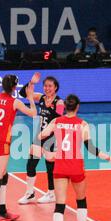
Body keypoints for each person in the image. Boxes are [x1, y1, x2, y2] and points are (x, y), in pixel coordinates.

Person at [39, 94, 111, 221]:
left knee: (60, 204)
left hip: (60, 166)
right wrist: (110, 158)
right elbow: (91, 148)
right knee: (81, 200)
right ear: (77, 107)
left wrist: (49, 152)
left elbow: (42, 136)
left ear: (66, 107)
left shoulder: (56, 122)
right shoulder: (82, 124)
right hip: (76, 166)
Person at [0, 75, 37, 221]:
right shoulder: (15, 102)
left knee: (4, 175)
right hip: (1, 143)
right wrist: (30, 97)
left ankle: (3, 211)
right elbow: (33, 113)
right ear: (13, 87)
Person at [18, 73, 65, 204]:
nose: (47, 88)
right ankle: (29, 193)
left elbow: (59, 118)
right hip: (39, 136)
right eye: (45, 86)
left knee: (50, 167)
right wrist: (31, 83)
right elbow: (24, 94)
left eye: (50, 86)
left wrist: (48, 131)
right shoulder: (42, 98)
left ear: (55, 87)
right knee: (31, 164)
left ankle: (51, 193)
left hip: (52, 138)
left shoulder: (59, 102)